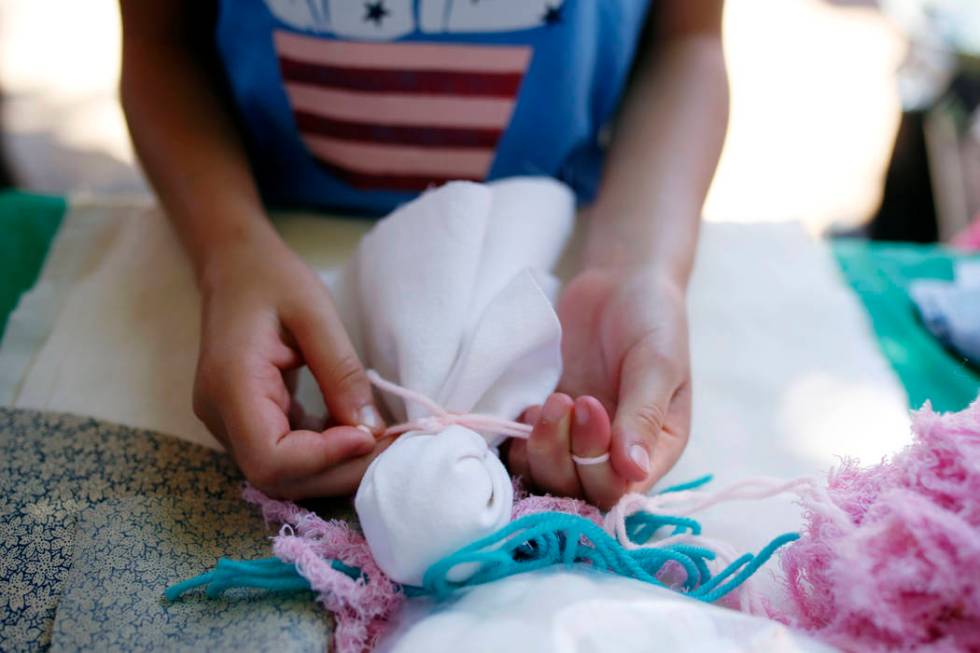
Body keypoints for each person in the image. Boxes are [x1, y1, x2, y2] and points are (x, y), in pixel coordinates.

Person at [119, 0, 728, 509]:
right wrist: (229, 249)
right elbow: (162, 41)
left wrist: (640, 268)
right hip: (259, 225)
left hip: (574, 240)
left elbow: (684, 42)